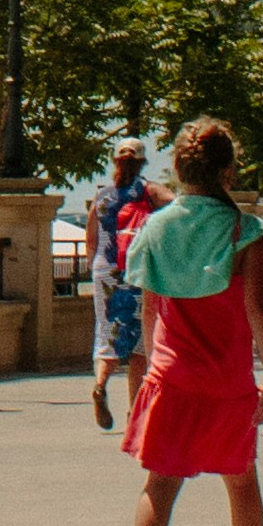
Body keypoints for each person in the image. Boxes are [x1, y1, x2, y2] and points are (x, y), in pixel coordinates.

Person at [123, 118, 263, 526]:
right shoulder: (244, 231)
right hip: (227, 380)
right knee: (242, 485)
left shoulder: (155, 227)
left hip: (171, 375)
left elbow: (150, 310)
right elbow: (259, 309)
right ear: (228, 173)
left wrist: (150, 367)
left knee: (159, 486)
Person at [81, 137, 158, 433]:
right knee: (138, 344)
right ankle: (135, 414)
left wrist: (97, 268)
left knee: (107, 332)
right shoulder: (147, 192)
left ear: (115, 161)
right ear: (142, 162)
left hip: (105, 271)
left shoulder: (103, 196)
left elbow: (91, 239)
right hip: (136, 271)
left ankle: (100, 384)